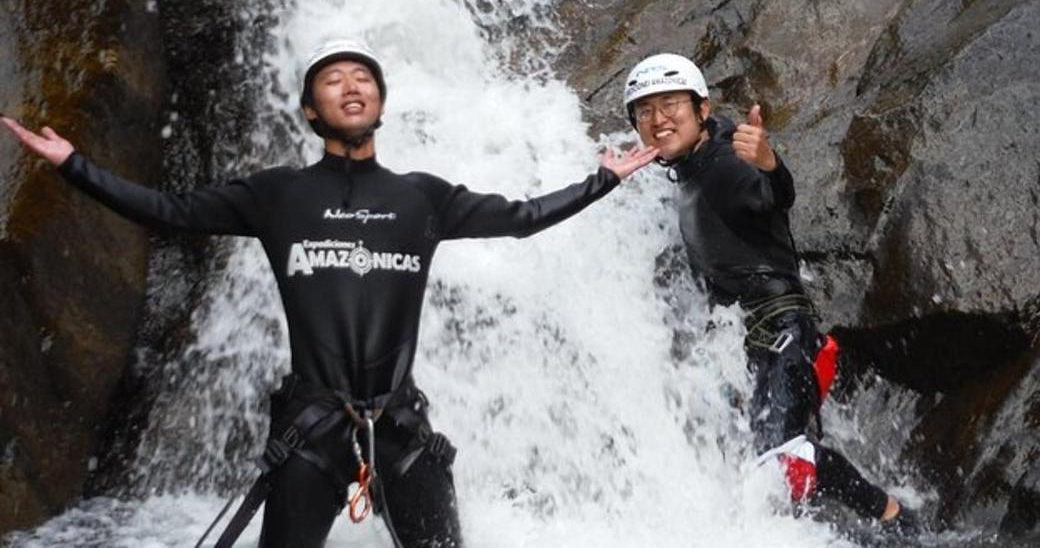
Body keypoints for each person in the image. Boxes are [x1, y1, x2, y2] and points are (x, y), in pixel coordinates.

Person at [2, 39, 658, 548]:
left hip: (402, 429)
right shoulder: (275, 194)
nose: (352, 85)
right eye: (333, 79)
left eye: (364, 77)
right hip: (309, 432)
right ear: (312, 110)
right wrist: (72, 165)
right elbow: (169, 210)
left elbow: (520, 218)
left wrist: (601, 180)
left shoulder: (422, 197)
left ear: (380, 103)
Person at [622, 53, 912, 529]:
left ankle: (894, 516)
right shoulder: (687, 170)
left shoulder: (724, 160)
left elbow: (770, 195)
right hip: (747, 344)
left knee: (785, 461)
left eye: (669, 105)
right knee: (753, 473)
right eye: (644, 112)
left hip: (784, 331)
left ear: (702, 109)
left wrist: (770, 165)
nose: (657, 120)